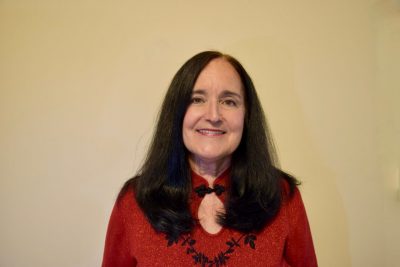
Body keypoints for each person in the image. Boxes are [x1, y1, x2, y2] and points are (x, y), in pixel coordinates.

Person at [102, 51, 317, 266]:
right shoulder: (134, 201)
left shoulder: (282, 196)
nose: (213, 116)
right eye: (197, 99)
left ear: (246, 115)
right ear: (176, 112)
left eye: (229, 101)